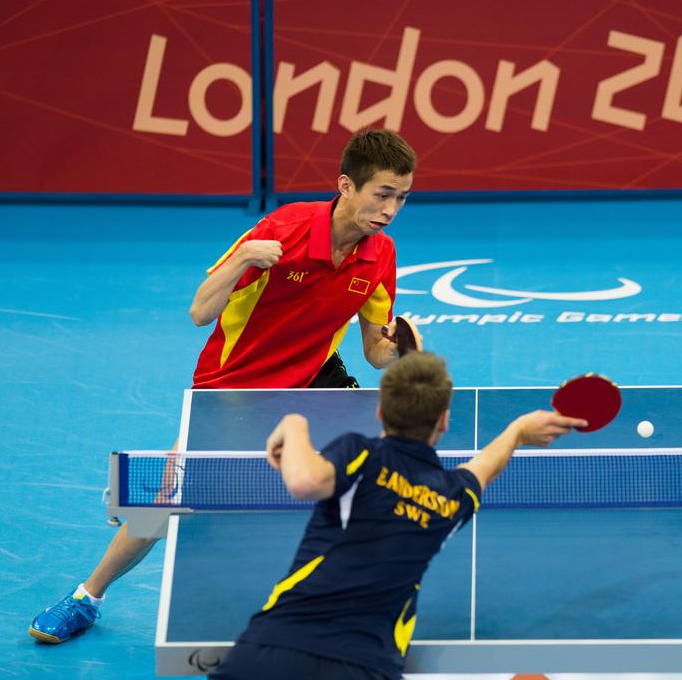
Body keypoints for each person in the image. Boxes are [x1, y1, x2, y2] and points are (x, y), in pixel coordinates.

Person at [30, 129, 421, 644]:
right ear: (346, 186)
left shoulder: (381, 254)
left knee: (382, 474)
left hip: (309, 380)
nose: (391, 209)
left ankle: (360, 601)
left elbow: (375, 355)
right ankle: (87, 597)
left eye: (402, 197)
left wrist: (403, 350)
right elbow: (200, 312)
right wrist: (241, 259)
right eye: (383, 194)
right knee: (166, 506)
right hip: (232, 386)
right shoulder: (284, 230)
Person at [136, 353, 586, 680]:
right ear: (445, 422)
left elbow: (303, 480)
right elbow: (484, 468)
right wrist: (517, 433)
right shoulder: (452, 498)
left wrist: (292, 422)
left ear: (378, 412)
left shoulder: (359, 453)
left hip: (273, 654)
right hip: (361, 674)